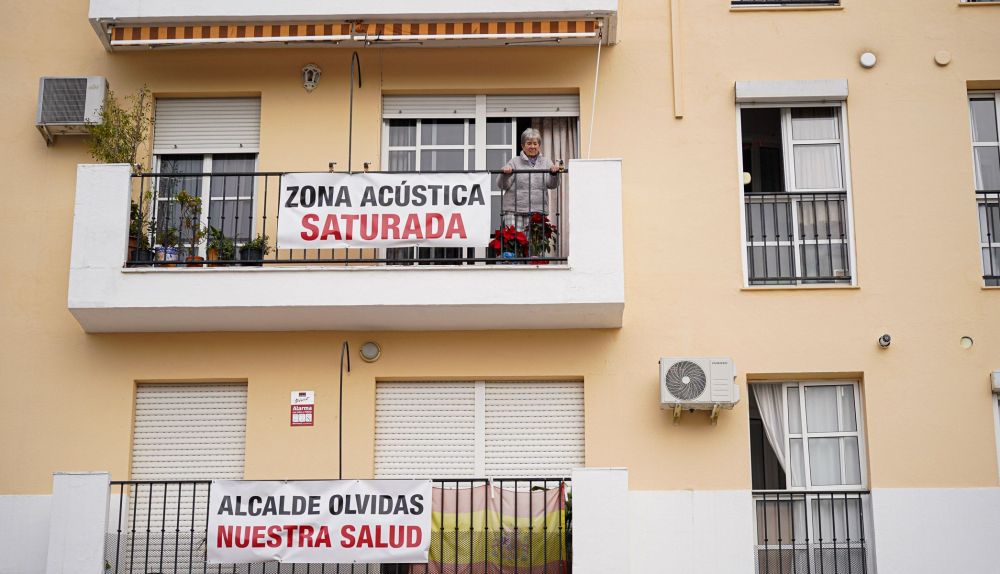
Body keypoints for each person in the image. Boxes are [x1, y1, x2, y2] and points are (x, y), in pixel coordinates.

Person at [496, 128, 562, 234]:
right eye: (529, 143)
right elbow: (502, 185)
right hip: (514, 211)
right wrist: (505, 174)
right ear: (523, 146)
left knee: (534, 247)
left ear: (539, 145)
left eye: (535, 143)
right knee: (515, 245)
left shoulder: (546, 162)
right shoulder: (514, 162)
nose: (532, 146)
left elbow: (552, 184)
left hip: (537, 210)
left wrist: (554, 174)